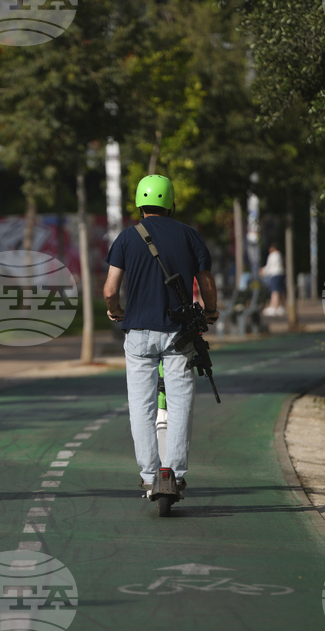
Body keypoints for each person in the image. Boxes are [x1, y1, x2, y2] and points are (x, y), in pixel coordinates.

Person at [103, 175, 219, 493]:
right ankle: (175, 474)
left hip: (138, 332)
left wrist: (115, 310)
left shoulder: (126, 238)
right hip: (178, 334)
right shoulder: (189, 235)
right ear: (171, 203)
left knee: (141, 406)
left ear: (140, 204)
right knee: (180, 403)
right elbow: (206, 280)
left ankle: (149, 474)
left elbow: (110, 289)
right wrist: (211, 310)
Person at [260, 242, 285, 317]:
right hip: (281, 273)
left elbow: (269, 267)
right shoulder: (279, 254)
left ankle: (273, 306)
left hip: (274, 274)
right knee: (281, 291)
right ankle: (281, 307)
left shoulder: (272, 255)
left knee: (274, 291)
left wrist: (263, 271)